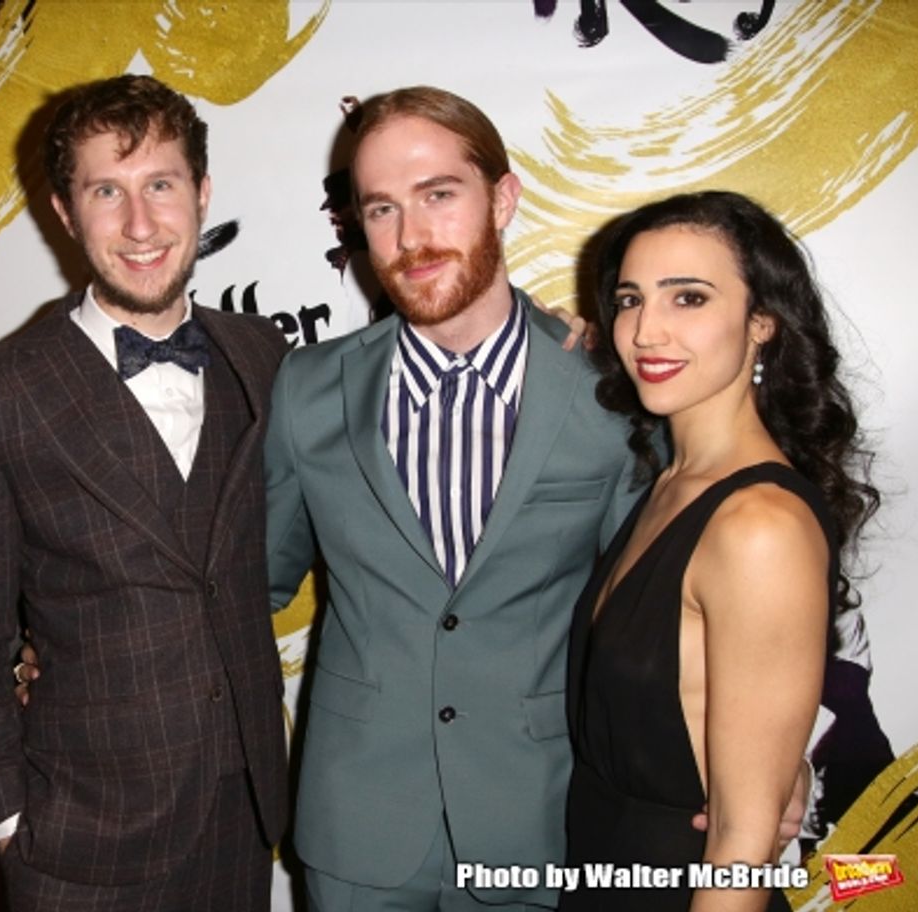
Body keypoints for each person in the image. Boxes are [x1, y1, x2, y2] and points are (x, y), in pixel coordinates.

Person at [264, 85, 644, 911]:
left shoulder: (608, 394)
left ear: (502, 198)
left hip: (542, 823)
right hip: (357, 826)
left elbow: (651, 618)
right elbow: (246, 582)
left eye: (439, 195)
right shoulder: (306, 389)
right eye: (381, 209)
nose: (412, 238)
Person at [0, 74, 289, 911]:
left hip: (242, 813)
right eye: (106, 191)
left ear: (201, 193)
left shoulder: (267, 356)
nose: (140, 225)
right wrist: (7, 824)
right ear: (65, 212)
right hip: (76, 843)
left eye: (160, 185)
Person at [560, 190, 879, 911]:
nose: (646, 331)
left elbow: (742, 839)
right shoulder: (672, 484)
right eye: (630, 299)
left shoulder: (759, 525)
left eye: (690, 299)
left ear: (762, 322)